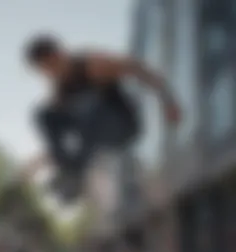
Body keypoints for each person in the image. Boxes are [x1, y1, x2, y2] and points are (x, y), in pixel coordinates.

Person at [21, 34, 181, 200]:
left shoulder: (92, 65)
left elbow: (137, 69)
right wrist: (40, 163)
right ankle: (70, 173)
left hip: (122, 125)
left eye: (49, 67)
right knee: (44, 114)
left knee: (86, 107)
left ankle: (75, 172)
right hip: (93, 134)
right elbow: (61, 139)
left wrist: (169, 102)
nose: (49, 74)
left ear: (58, 55)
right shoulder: (60, 89)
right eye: (43, 72)